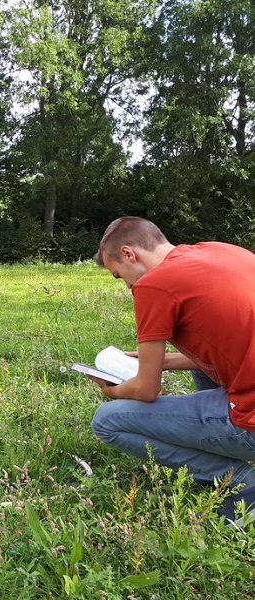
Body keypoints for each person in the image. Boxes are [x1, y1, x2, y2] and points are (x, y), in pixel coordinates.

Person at [85, 216, 255, 525]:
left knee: (108, 421)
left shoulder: (153, 285)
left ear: (128, 253)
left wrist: (113, 389)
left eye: (119, 276)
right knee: (201, 365)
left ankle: (244, 485)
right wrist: (160, 361)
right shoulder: (221, 250)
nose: (128, 286)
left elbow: (147, 390)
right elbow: (229, 345)